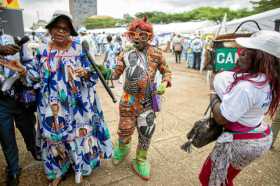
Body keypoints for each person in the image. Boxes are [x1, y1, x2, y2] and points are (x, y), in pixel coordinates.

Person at [17, 11, 112, 185]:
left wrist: (86, 73)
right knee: (54, 138)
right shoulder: (42, 50)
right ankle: (57, 171)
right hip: (52, 104)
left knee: (78, 136)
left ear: (71, 32)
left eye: (66, 29)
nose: (61, 31)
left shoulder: (79, 48)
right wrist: (23, 70)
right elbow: (35, 76)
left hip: (78, 103)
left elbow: (93, 74)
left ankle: (80, 168)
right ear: (50, 29)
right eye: (57, 28)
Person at [199, 30, 280, 186]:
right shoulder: (269, 79)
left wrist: (213, 92)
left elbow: (221, 117)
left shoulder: (247, 87)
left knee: (209, 178)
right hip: (259, 134)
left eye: (247, 52)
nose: (240, 53)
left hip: (242, 142)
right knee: (225, 177)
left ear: (262, 58)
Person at [104, 17, 172, 180]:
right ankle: (122, 148)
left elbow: (166, 71)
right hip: (128, 100)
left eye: (142, 35)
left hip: (148, 102)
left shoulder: (157, 53)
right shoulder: (126, 53)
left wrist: (164, 82)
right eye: (133, 34)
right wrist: (105, 72)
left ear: (149, 36)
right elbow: (115, 72)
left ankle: (140, 159)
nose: (137, 38)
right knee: (125, 129)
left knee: (146, 131)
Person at [0, 31, 39, 186]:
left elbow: (31, 65)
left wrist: (22, 71)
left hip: (21, 98)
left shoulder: (14, 40)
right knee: (6, 137)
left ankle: (40, 155)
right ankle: (13, 170)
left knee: (29, 131)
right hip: (1, 103)